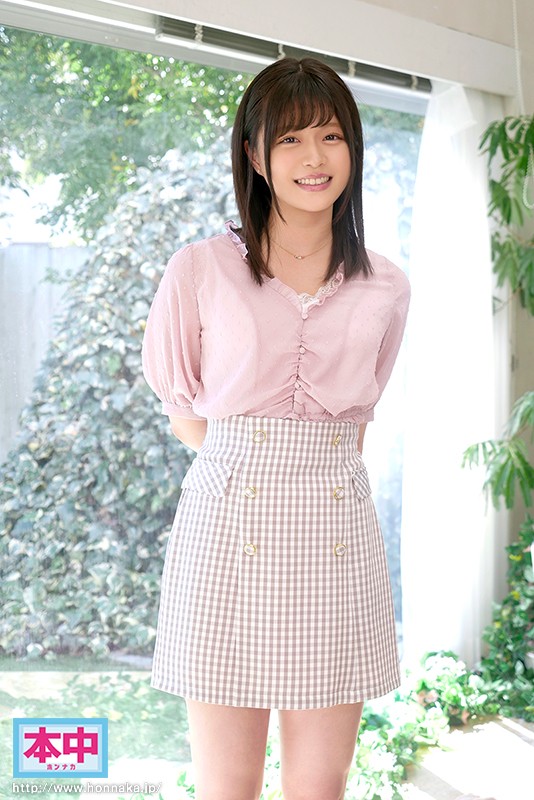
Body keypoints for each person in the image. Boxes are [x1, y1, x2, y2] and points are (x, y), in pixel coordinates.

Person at [142, 56, 410, 800]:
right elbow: (186, 415)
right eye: (290, 139)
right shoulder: (199, 269)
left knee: (321, 784)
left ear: (352, 148)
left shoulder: (387, 284)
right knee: (227, 785)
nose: (314, 157)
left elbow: (357, 420)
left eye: (331, 135)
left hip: (335, 532)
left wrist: (305, 470)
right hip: (228, 527)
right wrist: (259, 465)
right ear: (255, 156)